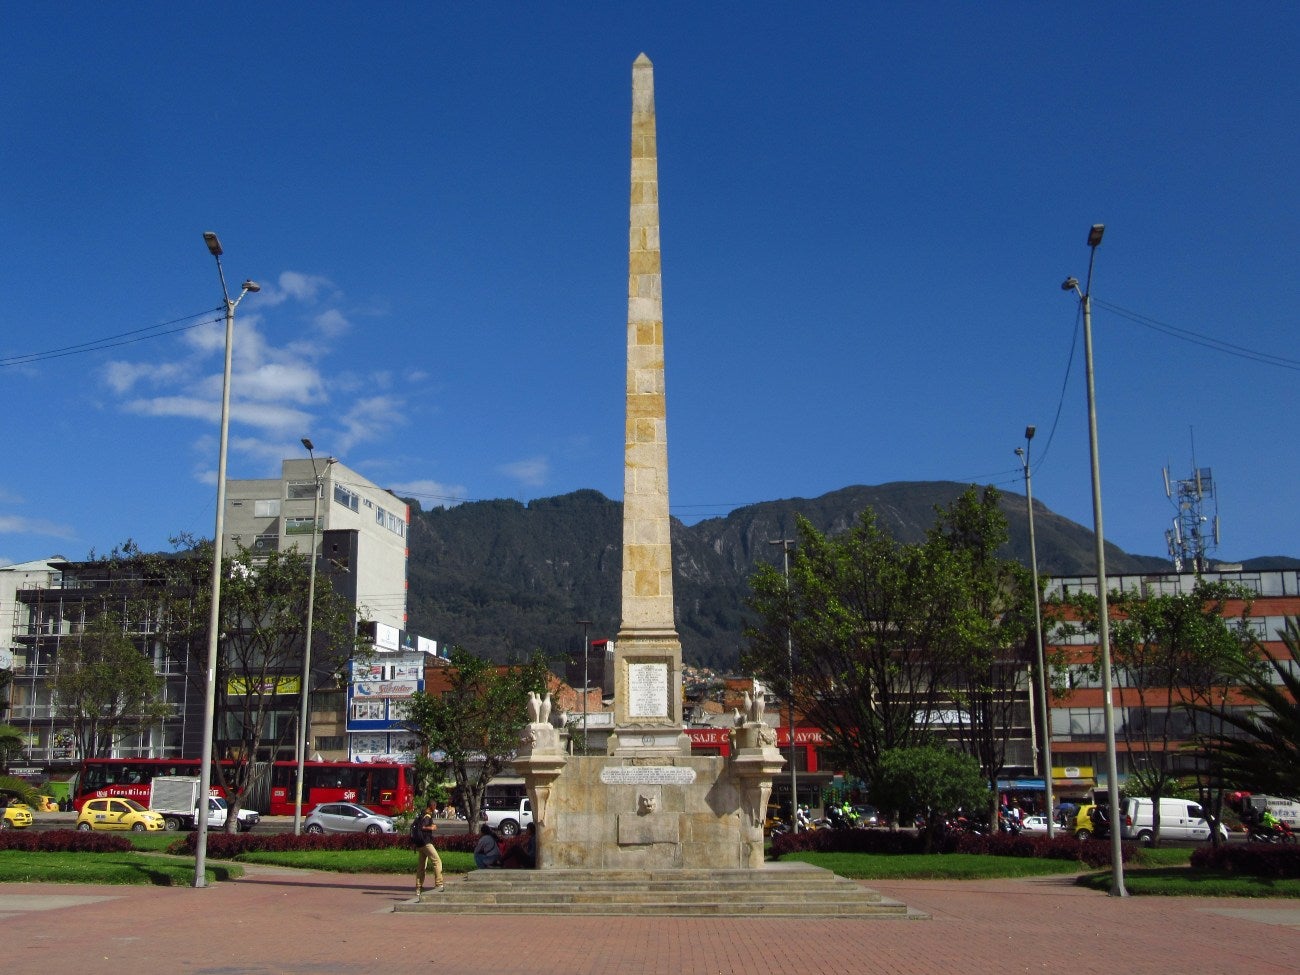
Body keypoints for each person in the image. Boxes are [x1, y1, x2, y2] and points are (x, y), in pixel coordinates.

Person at [413, 801, 444, 895]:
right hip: (426, 843)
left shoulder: (422, 814)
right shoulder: (427, 815)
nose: (435, 808)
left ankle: (419, 888)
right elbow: (423, 827)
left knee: (421, 866)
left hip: (420, 844)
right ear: (432, 806)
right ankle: (439, 884)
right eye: (435, 806)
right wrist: (432, 828)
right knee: (437, 861)